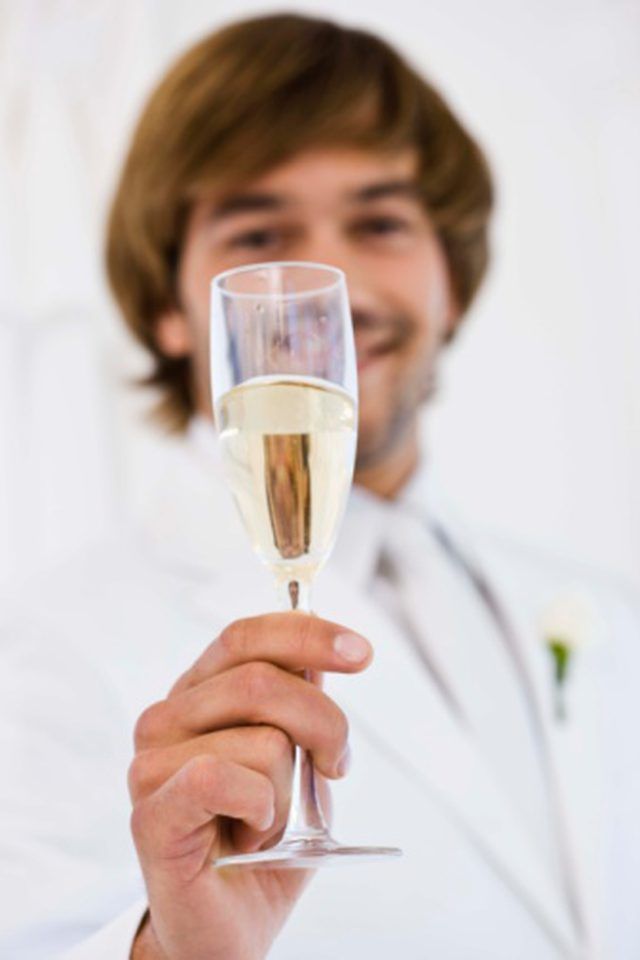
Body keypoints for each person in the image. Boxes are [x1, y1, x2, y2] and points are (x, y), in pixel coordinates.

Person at [1, 12, 638, 960]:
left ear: (451, 280)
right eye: (260, 230)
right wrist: (175, 951)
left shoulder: (609, 606)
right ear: (170, 306)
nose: (326, 284)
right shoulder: (42, 647)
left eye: (380, 222)